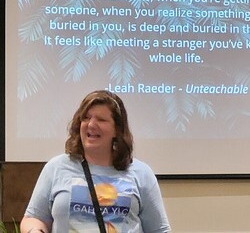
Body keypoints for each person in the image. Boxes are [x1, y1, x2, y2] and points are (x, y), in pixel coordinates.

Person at [20, 90, 171, 233]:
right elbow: (33, 218)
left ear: (117, 130)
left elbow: (159, 229)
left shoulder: (141, 173)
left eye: (101, 119)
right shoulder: (56, 167)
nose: (91, 125)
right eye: (86, 118)